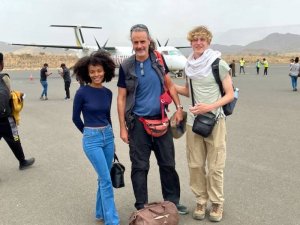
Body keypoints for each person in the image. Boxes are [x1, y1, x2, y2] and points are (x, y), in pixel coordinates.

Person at [117, 24, 188, 214]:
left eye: (142, 41)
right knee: (140, 166)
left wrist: (179, 108)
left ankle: (172, 202)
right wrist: (123, 127)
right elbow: (121, 97)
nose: (139, 45)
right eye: (135, 42)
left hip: (162, 121)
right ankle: (141, 205)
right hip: (137, 124)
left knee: (168, 164)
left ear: (149, 41)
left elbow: (169, 84)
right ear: (132, 43)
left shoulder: (158, 60)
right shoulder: (126, 66)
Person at [174, 26, 234, 222]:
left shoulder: (219, 64)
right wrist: (166, 83)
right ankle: (201, 199)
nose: (198, 43)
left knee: (216, 166)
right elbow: (187, 90)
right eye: (195, 39)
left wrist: (209, 106)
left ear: (208, 42)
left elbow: (230, 94)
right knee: (195, 164)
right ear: (191, 42)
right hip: (193, 122)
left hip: (215, 121)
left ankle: (217, 202)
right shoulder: (189, 66)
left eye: (202, 39)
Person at [72, 50, 120, 225]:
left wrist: (112, 139)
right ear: (87, 73)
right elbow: (75, 118)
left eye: (99, 71)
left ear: (105, 70)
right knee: (106, 180)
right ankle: (112, 221)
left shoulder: (108, 93)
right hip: (92, 139)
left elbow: (107, 117)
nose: (96, 74)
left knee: (103, 177)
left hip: (107, 136)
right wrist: (87, 132)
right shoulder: (82, 93)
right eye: (92, 72)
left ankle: (100, 212)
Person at [0, 52, 35, 170]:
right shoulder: (4, 77)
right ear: (1, 64)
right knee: (15, 139)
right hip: (5, 119)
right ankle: (22, 162)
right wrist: (18, 95)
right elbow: (8, 95)